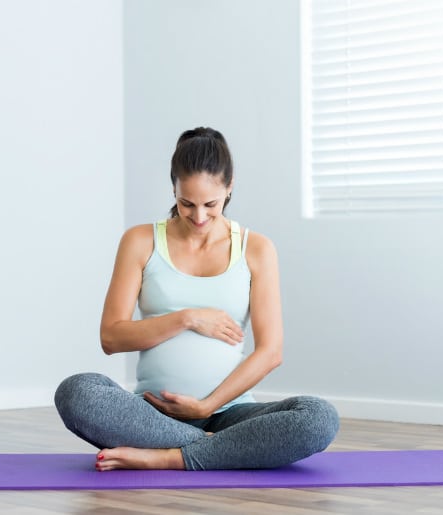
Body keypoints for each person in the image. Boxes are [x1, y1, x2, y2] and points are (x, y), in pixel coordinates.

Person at [55, 127, 339, 471]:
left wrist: (206, 407)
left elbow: (271, 352)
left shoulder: (257, 249)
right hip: (153, 414)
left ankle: (169, 457)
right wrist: (186, 318)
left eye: (211, 205)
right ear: (173, 189)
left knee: (318, 417)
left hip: (231, 412)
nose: (199, 217)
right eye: (186, 203)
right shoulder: (141, 241)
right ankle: (222, 451)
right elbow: (111, 338)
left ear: (229, 188)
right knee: (76, 392)